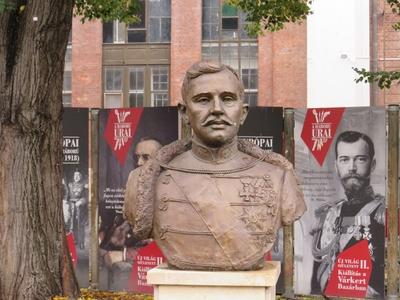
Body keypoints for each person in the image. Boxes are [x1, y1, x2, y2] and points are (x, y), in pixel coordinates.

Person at [124, 61, 305, 271]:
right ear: (184, 112)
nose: (217, 109)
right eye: (203, 100)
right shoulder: (144, 181)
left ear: (243, 112)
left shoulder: (278, 177)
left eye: (227, 99)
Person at [311, 131, 385, 297]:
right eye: (344, 159)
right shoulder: (328, 215)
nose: (352, 167)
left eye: (360, 159)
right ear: (337, 165)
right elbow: (316, 282)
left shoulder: (385, 215)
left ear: (372, 164)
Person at [68, 170, 88, 249]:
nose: (76, 177)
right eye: (75, 175)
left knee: (80, 225)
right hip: (71, 206)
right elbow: (67, 195)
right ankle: (74, 240)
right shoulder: (70, 185)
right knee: (72, 225)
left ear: (81, 177)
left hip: (80, 207)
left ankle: (81, 242)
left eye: (78, 175)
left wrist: (81, 201)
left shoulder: (84, 185)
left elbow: (86, 197)